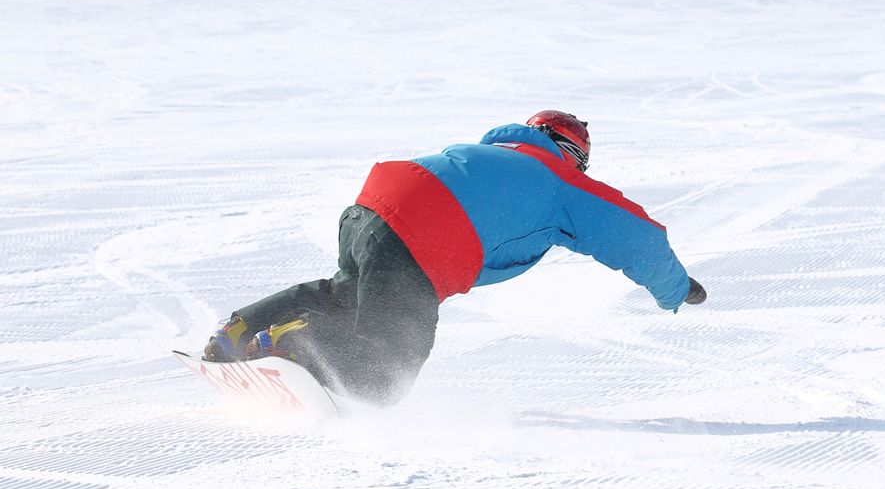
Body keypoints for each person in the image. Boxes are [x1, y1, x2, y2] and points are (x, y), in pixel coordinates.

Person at [202, 110, 707, 405]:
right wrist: (677, 289)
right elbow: (637, 236)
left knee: (347, 295)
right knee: (388, 371)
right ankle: (293, 341)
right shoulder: (559, 180)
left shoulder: (485, 153)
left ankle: (241, 329)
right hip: (423, 238)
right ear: (571, 154)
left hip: (369, 210)